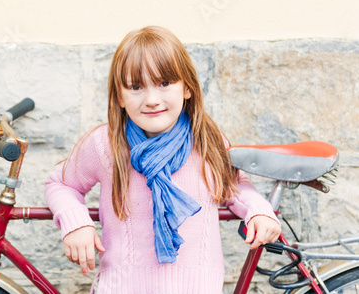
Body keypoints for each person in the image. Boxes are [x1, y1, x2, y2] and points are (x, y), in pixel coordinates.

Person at [44, 26, 281, 293]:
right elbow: (60, 184)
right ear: (120, 97)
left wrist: (259, 211)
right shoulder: (105, 144)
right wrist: (76, 223)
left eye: (164, 83)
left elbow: (235, 188)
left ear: (187, 88)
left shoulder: (206, 141)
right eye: (135, 87)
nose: (152, 100)